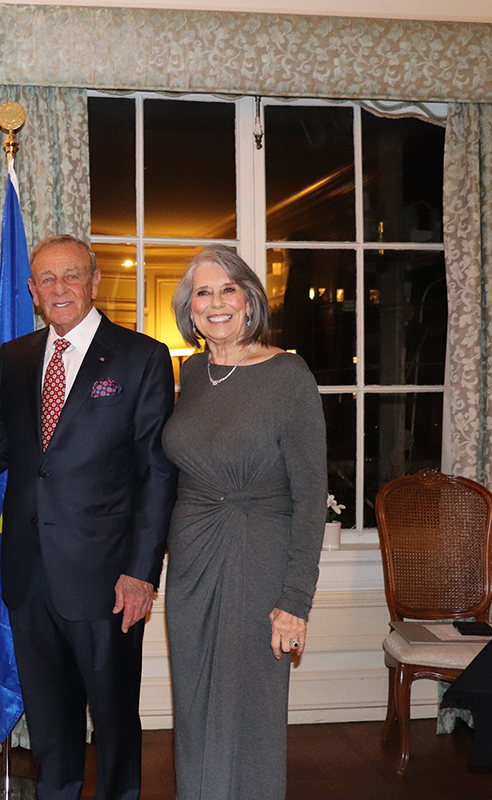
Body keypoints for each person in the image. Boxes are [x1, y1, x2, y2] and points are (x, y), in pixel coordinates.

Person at [0, 234, 178, 800]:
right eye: (47, 279)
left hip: (109, 576)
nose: (59, 288)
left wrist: (142, 573)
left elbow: (157, 473)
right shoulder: (13, 360)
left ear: (94, 282)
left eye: (72, 276)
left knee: (114, 720)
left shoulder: (141, 357)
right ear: (33, 291)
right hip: (27, 573)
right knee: (49, 722)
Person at [162, 244, 326, 800]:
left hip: (258, 560)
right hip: (191, 566)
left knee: (248, 714)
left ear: (249, 299)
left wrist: (295, 600)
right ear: (189, 309)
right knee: (196, 709)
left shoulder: (288, 375)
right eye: (201, 293)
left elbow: (310, 495)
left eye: (227, 288)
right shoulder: (192, 371)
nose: (215, 302)